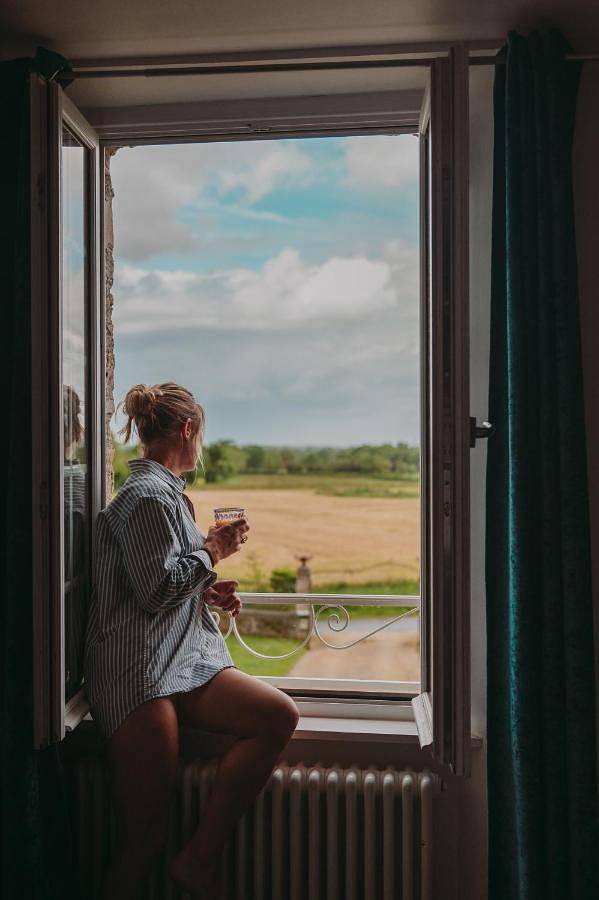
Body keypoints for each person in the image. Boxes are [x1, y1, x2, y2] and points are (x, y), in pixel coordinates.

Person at [83, 382, 299, 900]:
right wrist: (214, 552)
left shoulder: (170, 496)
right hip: (138, 673)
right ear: (187, 430)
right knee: (144, 837)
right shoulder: (147, 498)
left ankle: (200, 858)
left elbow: (159, 582)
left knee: (277, 715)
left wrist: (205, 592)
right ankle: (190, 862)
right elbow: (156, 591)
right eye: (200, 434)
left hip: (178, 661)